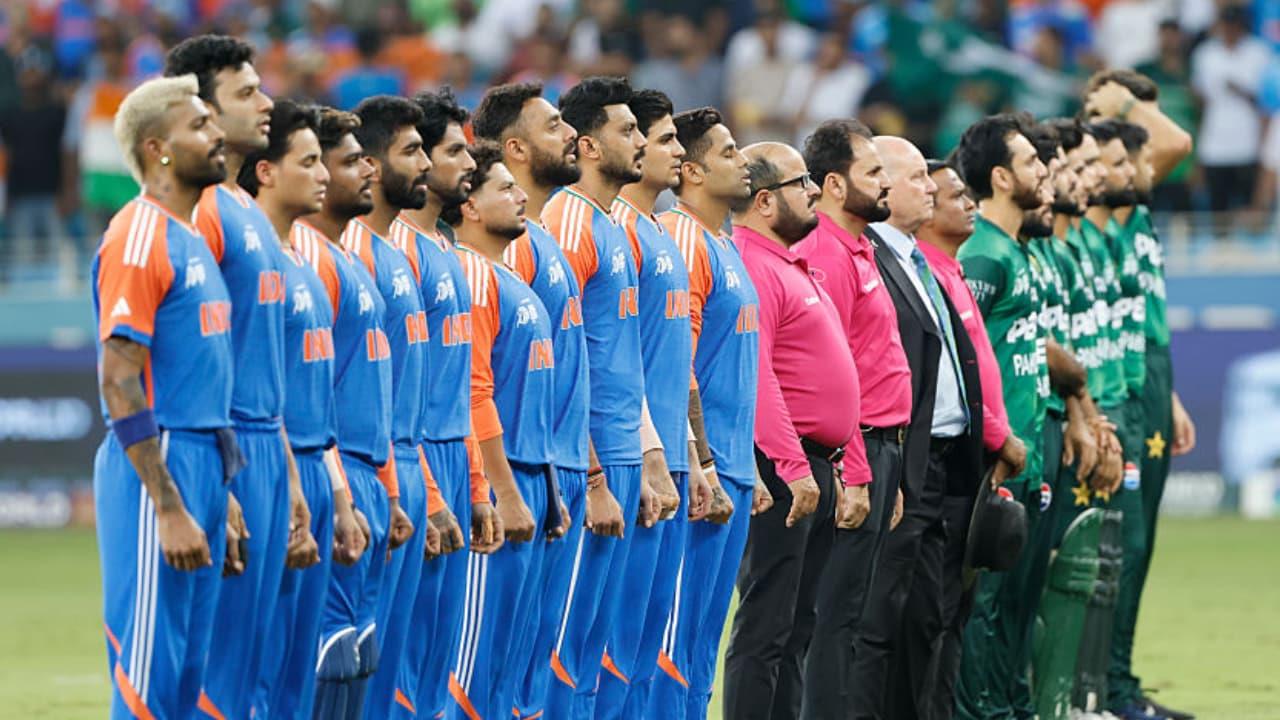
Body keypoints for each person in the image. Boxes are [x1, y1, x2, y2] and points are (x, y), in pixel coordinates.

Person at [164, 35, 320, 720]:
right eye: (247, 92)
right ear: (202, 108)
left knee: (257, 669)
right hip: (228, 451)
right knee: (220, 673)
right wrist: (224, 479)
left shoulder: (245, 211)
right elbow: (202, 353)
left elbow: (260, 364)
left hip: (267, 449)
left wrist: (286, 472)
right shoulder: (202, 212)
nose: (265, 103)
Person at [93, 73, 233, 720]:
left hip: (204, 461)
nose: (216, 133)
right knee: (148, 680)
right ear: (159, 150)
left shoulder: (190, 236)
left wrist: (223, 493)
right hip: (165, 461)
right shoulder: (139, 233)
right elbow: (119, 378)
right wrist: (169, 506)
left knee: (187, 680)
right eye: (199, 125)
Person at [237, 99, 369, 720]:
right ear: (266, 171)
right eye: (310, 161)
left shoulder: (302, 262)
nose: (323, 175)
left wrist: (336, 497)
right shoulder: (250, 261)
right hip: (271, 467)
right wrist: (287, 480)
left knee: (301, 667)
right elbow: (262, 391)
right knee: (258, 667)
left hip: (315, 471)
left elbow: (319, 397)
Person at [722, 140, 861, 720]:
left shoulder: (789, 262)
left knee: (799, 623)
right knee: (766, 625)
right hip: (783, 468)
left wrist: (844, 465)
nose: (813, 192)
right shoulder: (754, 265)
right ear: (763, 201)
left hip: (813, 464)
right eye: (800, 183)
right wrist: (793, 466)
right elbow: (758, 377)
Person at [852, 136, 985, 720]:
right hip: (898, 458)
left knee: (925, 616)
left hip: (943, 460)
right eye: (917, 178)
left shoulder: (916, 260)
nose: (930, 187)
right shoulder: (872, 258)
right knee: (879, 617)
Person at [471, 81, 592, 720]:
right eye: (553, 127)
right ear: (514, 149)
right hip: (511, 471)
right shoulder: (503, 248)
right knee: (488, 668)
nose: (570, 135)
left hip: (550, 471)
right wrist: (502, 483)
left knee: (531, 668)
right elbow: (480, 380)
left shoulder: (541, 238)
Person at [600, 88, 716, 719]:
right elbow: (623, 361)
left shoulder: (656, 231)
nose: (669, 150)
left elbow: (676, 366)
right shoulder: (617, 228)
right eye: (662, 138)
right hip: (631, 458)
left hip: (667, 457)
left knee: (651, 645)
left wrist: (694, 458)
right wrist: (651, 453)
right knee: (614, 647)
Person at [791, 119, 910, 720]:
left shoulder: (861, 249)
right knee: (832, 617)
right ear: (834, 185)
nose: (886, 183)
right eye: (874, 172)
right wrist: (855, 471)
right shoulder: (826, 254)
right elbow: (835, 375)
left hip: (881, 449)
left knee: (852, 616)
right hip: (854, 451)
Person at [652, 106, 765, 720]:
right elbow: (681, 362)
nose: (742, 161)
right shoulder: (684, 238)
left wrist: (749, 466)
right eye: (727, 152)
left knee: (701, 647)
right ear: (691, 171)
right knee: (673, 643)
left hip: (734, 468)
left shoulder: (723, 241)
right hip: (703, 473)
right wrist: (703, 462)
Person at [540, 76, 647, 720]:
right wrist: (594, 474)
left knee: (601, 647)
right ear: (587, 145)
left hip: (623, 453)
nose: (639, 142)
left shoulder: (612, 224)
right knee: (565, 645)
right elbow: (560, 361)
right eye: (627, 130)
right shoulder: (569, 221)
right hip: (591, 460)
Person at [290, 106, 397, 719]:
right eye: (352, 161)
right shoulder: (309, 258)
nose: (368, 171)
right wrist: (339, 490)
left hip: (369, 474)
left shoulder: (348, 257)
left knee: (360, 651)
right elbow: (312, 391)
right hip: (336, 471)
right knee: (328, 650)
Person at [445, 141, 556, 720]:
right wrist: (502, 492)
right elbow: (473, 392)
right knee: (472, 673)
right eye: (504, 188)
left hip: (531, 481)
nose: (520, 197)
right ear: (468, 205)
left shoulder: (508, 274)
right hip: (497, 483)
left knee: (513, 669)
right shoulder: (471, 272)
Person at [916, 159, 1028, 720]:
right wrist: (999, 437)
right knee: (935, 613)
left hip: (976, 459)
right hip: (953, 459)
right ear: (924, 209)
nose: (970, 206)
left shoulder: (952, 271)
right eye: (955, 196)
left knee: (956, 611)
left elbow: (979, 367)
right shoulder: (928, 275)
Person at [951, 114, 1053, 720]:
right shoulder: (983, 256)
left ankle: (1009, 708)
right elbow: (964, 356)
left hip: (1027, 446)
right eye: (1031, 161)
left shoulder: (1015, 251)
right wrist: (991, 440)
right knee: (983, 604)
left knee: (1014, 600)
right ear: (1001, 177)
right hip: (996, 456)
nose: (1044, 170)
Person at [345, 94, 438, 719]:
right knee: (353, 665)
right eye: (412, 151)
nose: (425, 163)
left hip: (404, 466)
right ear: (372, 167)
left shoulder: (396, 252)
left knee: (398, 663)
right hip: (365, 470)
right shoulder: (350, 250)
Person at [389, 88, 477, 720]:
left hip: (454, 460)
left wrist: (474, 484)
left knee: (439, 663)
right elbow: (398, 393)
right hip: (415, 465)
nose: (468, 163)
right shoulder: (395, 249)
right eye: (452, 152)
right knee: (404, 657)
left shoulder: (444, 249)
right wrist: (430, 490)